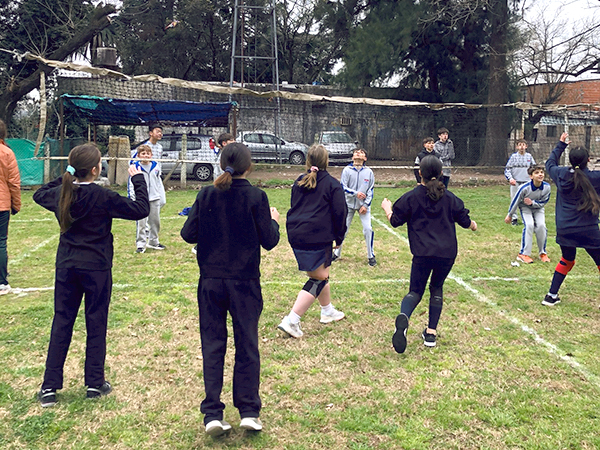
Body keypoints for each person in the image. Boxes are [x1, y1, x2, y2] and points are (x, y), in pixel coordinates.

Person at [33, 143, 149, 408]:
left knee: (62, 322)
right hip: (96, 268)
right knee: (96, 323)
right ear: (96, 170)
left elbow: (39, 193)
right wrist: (138, 179)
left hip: (67, 267)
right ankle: (94, 383)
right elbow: (140, 209)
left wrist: (67, 176)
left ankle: (49, 387)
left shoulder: (64, 194)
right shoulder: (101, 196)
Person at [180, 143, 280, 436]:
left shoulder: (207, 194)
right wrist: (274, 221)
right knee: (247, 343)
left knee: (213, 345)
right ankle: (248, 410)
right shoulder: (255, 196)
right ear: (249, 167)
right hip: (244, 283)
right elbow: (270, 240)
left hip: (211, 282)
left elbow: (188, 233)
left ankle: (212, 412)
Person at [381, 155, 477, 352]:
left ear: (420, 173)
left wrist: (387, 208)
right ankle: (431, 333)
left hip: (422, 253)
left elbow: (395, 221)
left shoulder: (411, 197)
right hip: (447, 254)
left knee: (415, 291)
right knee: (436, 288)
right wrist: (473, 225)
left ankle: (404, 318)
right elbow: (465, 220)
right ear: (441, 174)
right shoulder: (449, 198)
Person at [278, 144, 348, 338]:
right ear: (327, 161)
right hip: (316, 236)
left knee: (321, 273)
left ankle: (327, 311)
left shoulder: (299, 181)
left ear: (308, 161)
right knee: (319, 277)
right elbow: (340, 213)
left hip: (297, 234)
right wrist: (339, 237)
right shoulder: (333, 184)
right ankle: (292, 320)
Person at [543, 132, 600, 306]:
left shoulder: (561, 174)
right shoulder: (595, 177)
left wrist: (560, 145)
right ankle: (551, 295)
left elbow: (549, 163)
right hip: (588, 229)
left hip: (565, 228)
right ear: (588, 160)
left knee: (567, 259)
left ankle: (551, 296)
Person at [333, 148, 376, 266]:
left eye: (362, 152)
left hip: (363, 206)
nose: (358, 153)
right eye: (356, 152)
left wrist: (366, 205)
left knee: (368, 229)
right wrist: (355, 193)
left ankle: (370, 255)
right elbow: (343, 187)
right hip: (348, 205)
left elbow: (371, 190)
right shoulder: (347, 170)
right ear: (352, 157)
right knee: (343, 229)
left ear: (365, 158)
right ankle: (337, 253)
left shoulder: (369, 172)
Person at [504, 165, 551, 264]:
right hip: (525, 208)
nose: (540, 175)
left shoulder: (547, 187)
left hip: (538, 208)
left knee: (541, 226)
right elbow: (515, 201)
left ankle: (542, 252)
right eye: (537, 173)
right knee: (529, 225)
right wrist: (510, 214)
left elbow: (544, 202)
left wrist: (532, 203)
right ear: (531, 176)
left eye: (541, 172)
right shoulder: (524, 188)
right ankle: (523, 254)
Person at [128, 144, 166, 253]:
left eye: (148, 154)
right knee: (141, 223)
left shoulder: (156, 166)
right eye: (143, 154)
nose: (146, 156)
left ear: (151, 155)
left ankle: (154, 241)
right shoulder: (135, 168)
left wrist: (160, 195)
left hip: (154, 198)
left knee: (155, 221)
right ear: (138, 155)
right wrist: (133, 197)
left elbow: (158, 182)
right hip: (141, 199)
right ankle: (141, 244)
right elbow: (131, 183)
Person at [0, 119, 21, 295]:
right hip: (1, 204)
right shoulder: (6, 153)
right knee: (0, 242)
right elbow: (13, 182)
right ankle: (1, 282)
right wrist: (16, 204)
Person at [505, 139, 536, 225]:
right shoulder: (513, 157)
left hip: (527, 182)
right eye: (520, 145)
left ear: (526, 146)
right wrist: (510, 179)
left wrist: (533, 178)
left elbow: (534, 168)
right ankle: (514, 218)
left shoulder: (529, 157)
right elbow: (507, 169)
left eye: (523, 145)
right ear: (517, 147)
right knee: (514, 200)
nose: (522, 147)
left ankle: (527, 218)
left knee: (527, 200)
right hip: (516, 182)